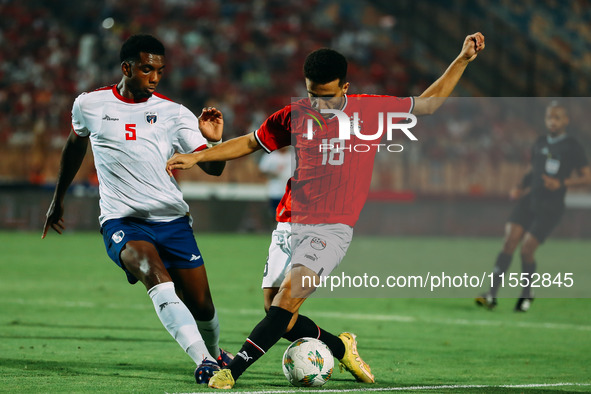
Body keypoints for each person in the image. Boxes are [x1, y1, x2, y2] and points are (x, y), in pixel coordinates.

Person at [167, 33, 485, 389]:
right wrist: (199, 155)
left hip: (331, 229)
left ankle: (233, 371)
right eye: (312, 94)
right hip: (289, 222)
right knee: (279, 316)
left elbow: (427, 105)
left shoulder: (371, 111)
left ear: (345, 86)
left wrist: (462, 59)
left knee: (286, 301)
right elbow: (249, 142)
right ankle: (340, 346)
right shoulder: (294, 115)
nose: (318, 103)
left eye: (326, 95)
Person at [42, 34, 233, 383]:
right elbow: (74, 147)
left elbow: (215, 168)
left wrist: (214, 141)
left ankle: (216, 352)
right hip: (123, 221)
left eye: (159, 71)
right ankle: (204, 362)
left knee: (203, 306)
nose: (155, 77)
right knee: (153, 274)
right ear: (127, 67)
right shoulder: (90, 105)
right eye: (147, 69)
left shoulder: (174, 113)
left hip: (172, 220)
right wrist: (58, 198)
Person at [476, 101, 591, 312]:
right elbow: (533, 170)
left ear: (566, 120)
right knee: (509, 241)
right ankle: (491, 294)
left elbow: (587, 177)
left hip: (551, 206)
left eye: (557, 118)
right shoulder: (539, 142)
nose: (553, 122)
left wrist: (562, 183)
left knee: (527, 249)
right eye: (549, 118)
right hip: (530, 200)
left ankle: (527, 293)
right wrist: (520, 186)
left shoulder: (572, 146)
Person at [258, 146, 294, 216]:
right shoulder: (270, 156)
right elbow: (261, 172)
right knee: (276, 215)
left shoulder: (293, 156)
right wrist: (271, 173)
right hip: (275, 191)